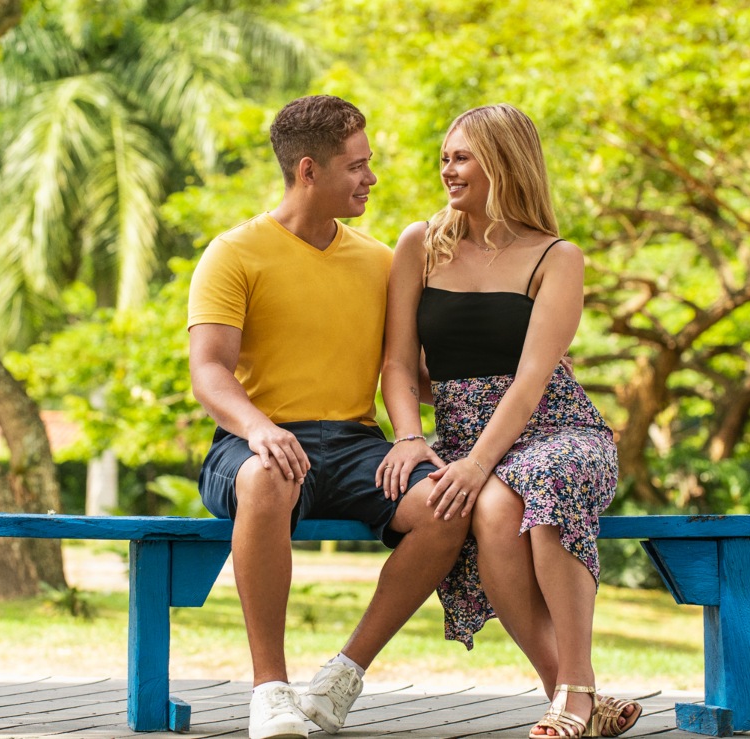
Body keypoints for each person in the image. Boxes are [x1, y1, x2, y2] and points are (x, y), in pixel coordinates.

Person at [187, 95, 468, 739]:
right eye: (357, 166)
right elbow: (209, 371)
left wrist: (520, 388)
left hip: (355, 444)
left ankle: (341, 677)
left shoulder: (379, 261)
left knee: (447, 504)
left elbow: (408, 369)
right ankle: (270, 691)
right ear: (309, 170)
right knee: (266, 476)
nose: (371, 178)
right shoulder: (233, 254)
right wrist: (258, 428)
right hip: (251, 440)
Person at [376, 104, 642, 739]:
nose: (447, 168)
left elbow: (530, 382)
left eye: (462, 156)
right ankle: (576, 699)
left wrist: (475, 463)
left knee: (536, 484)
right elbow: (396, 361)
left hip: (556, 427)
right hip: (465, 434)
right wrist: (411, 437)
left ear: (504, 163)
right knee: (493, 509)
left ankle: (572, 693)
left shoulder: (557, 256)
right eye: (444, 157)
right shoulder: (420, 243)